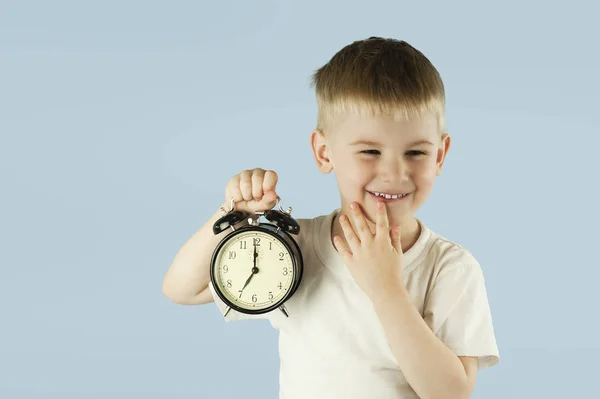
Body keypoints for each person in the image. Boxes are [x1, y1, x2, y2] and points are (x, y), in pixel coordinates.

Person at [162, 36, 499, 399]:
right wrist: (232, 213)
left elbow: (451, 393)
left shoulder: (450, 268)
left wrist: (386, 289)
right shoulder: (294, 248)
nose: (395, 172)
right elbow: (182, 288)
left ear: (440, 155)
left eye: (416, 151)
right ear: (325, 153)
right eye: (370, 150)